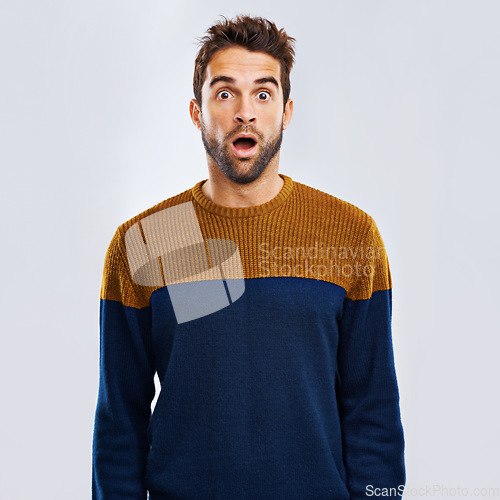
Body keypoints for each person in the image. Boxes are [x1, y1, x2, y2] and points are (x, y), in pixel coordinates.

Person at [92, 14, 405, 500]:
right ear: (196, 112)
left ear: (287, 110)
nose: (245, 112)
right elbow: (120, 423)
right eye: (224, 93)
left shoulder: (350, 233)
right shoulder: (146, 241)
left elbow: (373, 409)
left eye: (263, 93)